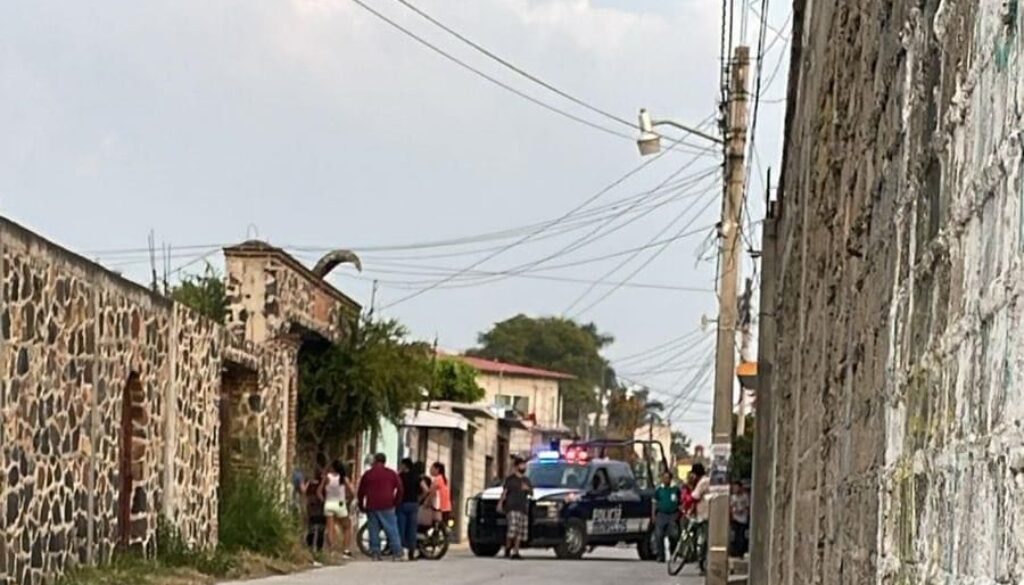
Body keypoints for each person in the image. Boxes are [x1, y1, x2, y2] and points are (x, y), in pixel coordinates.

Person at [357, 453, 405, 561]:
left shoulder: (368, 474)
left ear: (374, 461)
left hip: (372, 504)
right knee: (392, 529)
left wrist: (361, 505)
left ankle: (375, 553)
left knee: (373, 529)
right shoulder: (392, 474)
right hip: (388, 504)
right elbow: (400, 489)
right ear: (384, 461)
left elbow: (361, 491)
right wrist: (396, 502)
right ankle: (397, 552)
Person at [498, 455, 532, 560]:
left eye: (524, 465)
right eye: (522, 465)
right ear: (517, 466)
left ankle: (516, 552)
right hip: (512, 507)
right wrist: (500, 503)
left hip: (522, 508)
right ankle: (508, 547)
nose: (524, 467)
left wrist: (528, 489)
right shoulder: (510, 479)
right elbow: (505, 492)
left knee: (519, 532)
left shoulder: (526, 480)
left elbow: (531, 492)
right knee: (512, 530)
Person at [321, 460, 355, 558]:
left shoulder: (327, 477)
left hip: (329, 503)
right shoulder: (344, 478)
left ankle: (332, 550)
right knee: (347, 527)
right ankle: (346, 550)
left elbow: (319, 491)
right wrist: (348, 500)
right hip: (340, 503)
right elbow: (352, 492)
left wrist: (324, 500)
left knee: (330, 528)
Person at [652, 470, 681, 562]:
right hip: (661, 514)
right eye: (664, 478)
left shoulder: (675, 489)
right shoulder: (659, 490)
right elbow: (654, 503)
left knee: (673, 535)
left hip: (673, 514)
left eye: (667, 478)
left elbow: (680, 502)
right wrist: (653, 515)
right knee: (659, 535)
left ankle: (673, 554)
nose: (665, 480)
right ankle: (661, 555)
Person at [397, 458, 423, 560]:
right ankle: (412, 552)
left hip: (402, 504)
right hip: (413, 504)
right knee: (412, 529)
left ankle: (403, 552)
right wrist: (419, 499)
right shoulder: (416, 476)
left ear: (404, 465)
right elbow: (425, 489)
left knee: (402, 529)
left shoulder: (400, 476)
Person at [690, 463, 711, 574]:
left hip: (703, 515)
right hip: (707, 514)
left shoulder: (703, 482)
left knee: (703, 540)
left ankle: (702, 563)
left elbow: (695, 496)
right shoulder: (708, 480)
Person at [304, 469, 326, 553]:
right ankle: (318, 548)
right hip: (320, 508)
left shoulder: (310, 483)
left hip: (311, 509)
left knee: (312, 528)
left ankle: (310, 547)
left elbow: (306, 493)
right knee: (320, 529)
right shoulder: (323, 484)